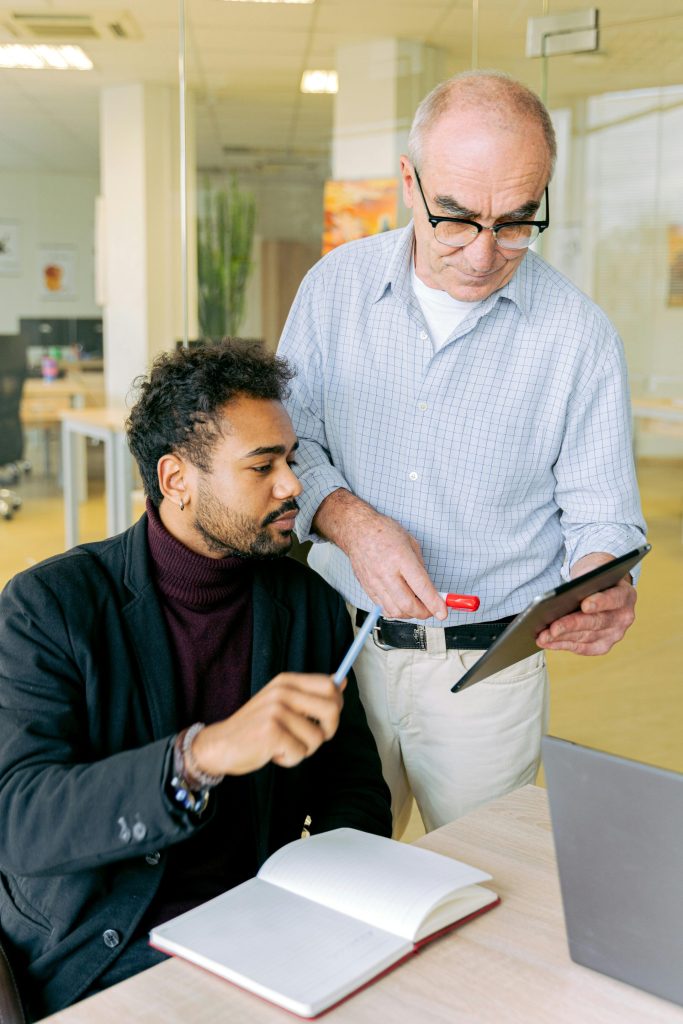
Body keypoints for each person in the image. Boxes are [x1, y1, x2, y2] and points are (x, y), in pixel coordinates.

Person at [278, 71, 647, 836]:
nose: (483, 254)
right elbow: (293, 444)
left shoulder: (579, 339)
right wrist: (348, 518)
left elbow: (601, 517)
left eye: (515, 222)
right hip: (336, 648)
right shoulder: (331, 290)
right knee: (337, 878)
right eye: (455, 219)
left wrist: (599, 583)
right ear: (408, 184)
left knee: (483, 894)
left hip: (485, 677)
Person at [0, 341, 391, 1021]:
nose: (293, 485)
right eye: (261, 466)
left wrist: (327, 908)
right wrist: (198, 757)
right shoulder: (49, 607)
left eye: (290, 459)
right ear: (177, 479)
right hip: (102, 954)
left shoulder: (309, 605)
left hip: (259, 938)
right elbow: (22, 822)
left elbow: (351, 790)